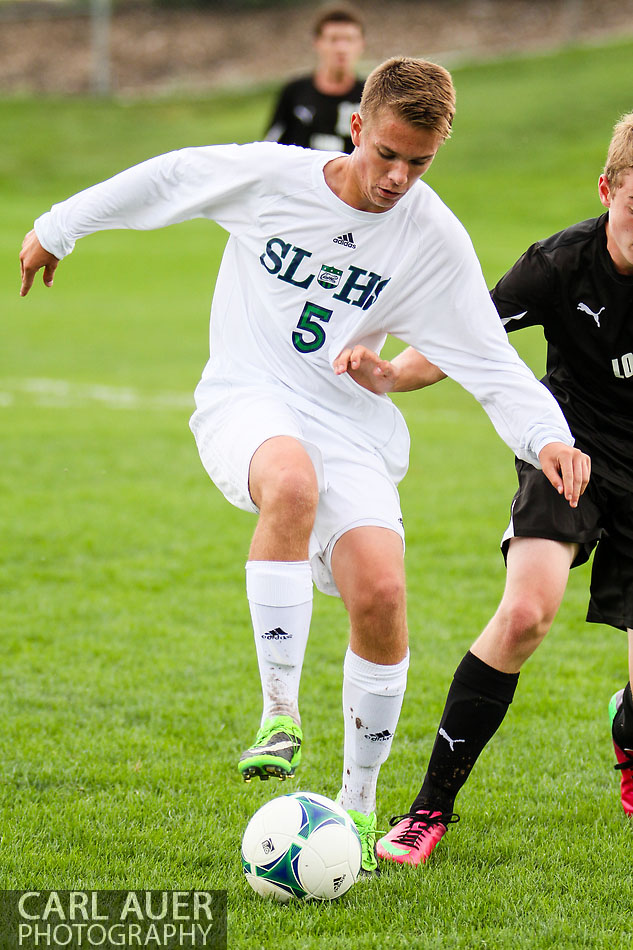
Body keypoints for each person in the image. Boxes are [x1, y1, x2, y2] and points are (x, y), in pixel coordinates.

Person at [19, 57, 588, 877]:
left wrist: (548, 436)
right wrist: (58, 226)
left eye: (419, 162)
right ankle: (278, 712)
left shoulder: (433, 241)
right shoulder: (272, 179)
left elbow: (488, 359)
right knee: (289, 483)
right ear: (356, 127)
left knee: (383, 592)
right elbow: (172, 176)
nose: (398, 177)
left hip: (348, 422)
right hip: (248, 397)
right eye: (386, 153)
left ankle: (356, 810)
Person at [346, 110, 633, 868]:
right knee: (526, 614)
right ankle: (426, 811)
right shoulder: (559, 264)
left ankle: (627, 730)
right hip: (565, 451)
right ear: (607, 189)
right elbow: (467, 335)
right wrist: (392, 375)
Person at [265, 3, 365, 153]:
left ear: (361, 44)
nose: (341, 49)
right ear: (317, 43)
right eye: (333, 40)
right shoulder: (295, 92)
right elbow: (269, 146)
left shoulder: (370, 96)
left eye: (349, 40)